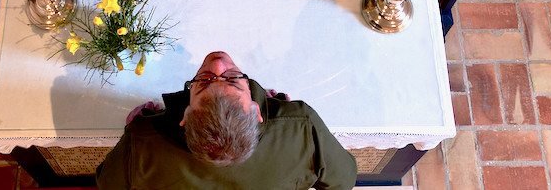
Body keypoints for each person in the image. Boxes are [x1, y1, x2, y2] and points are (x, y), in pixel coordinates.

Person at [95, 51, 357, 189]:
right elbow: (344, 180)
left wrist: (137, 126)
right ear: (257, 111)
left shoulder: (141, 141)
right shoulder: (300, 126)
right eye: (234, 81)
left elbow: (107, 183)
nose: (218, 65)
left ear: (185, 116)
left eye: (204, 83)